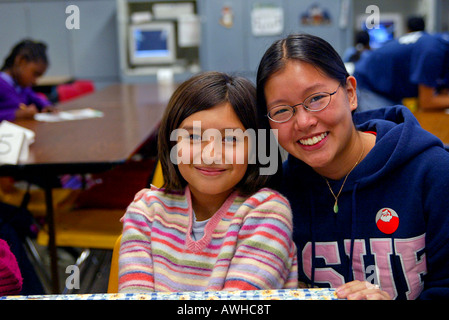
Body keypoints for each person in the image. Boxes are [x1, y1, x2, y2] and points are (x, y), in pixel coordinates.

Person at [256, 33, 449, 300]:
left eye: (316, 98)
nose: (303, 122)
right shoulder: (276, 195)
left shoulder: (433, 172)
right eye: (281, 111)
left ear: (350, 93)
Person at [118, 71, 298, 292]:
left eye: (231, 139)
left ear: (257, 148)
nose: (210, 154)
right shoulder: (146, 211)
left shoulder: (267, 213)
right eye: (193, 137)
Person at [354, 16, 449, 111]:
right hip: (369, 85)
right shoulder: (434, 51)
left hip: (389, 90)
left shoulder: (440, 46)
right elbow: (427, 102)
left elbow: (442, 94)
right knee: (387, 123)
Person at [0, 39, 56, 121]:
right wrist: (15, 114)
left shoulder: (22, 87)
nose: (35, 81)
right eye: (35, 74)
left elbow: (35, 98)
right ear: (21, 61)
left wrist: (46, 105)